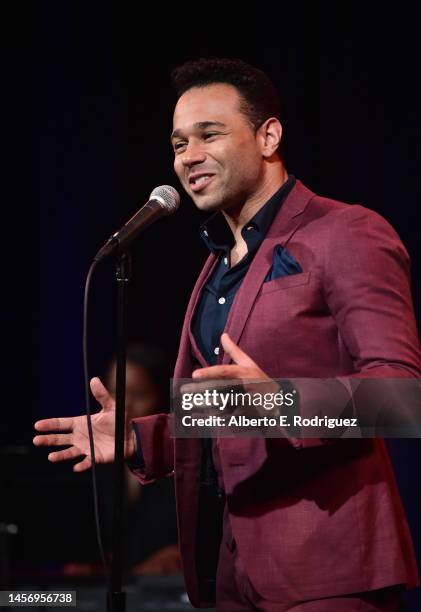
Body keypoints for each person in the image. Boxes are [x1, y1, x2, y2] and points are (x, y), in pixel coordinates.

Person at [34, 58, 421, 611]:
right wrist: (143, 440)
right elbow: (230, 411)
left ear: (268, 136)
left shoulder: (346, 232)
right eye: (177, 143)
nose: (187, 156)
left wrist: (283, 404)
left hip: (324, 573)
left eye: (208, 135)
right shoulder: (214, 269)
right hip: (228, 575)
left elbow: (401, 400)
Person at [62, 344, 181, 577]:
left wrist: (178, 554)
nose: (124, 406)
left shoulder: (187, 462)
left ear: (162, 397)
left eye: (138, 394)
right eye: (117, 393)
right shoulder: (95, 465)